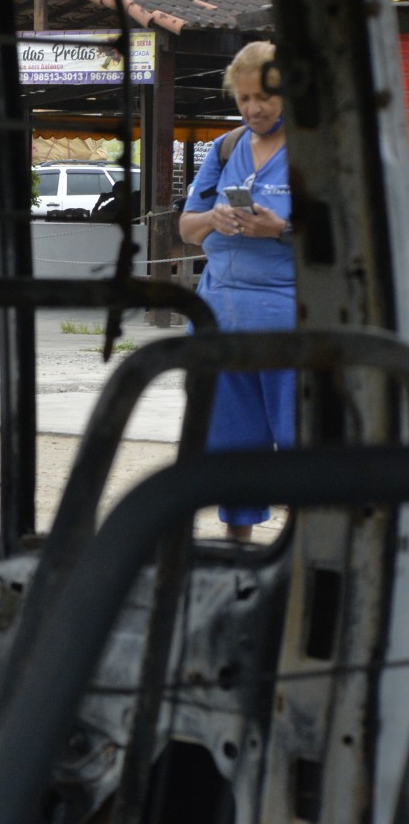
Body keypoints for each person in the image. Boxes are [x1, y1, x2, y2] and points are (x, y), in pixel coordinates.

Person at [178, 39, 293, 541]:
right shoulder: (226, 148)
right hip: (219, 318)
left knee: (299, 441)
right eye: (244, 99)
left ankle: (304, 555)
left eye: (263, 98)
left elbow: (352, 232)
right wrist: (213, 218)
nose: (253, 109)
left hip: (289, 323)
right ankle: (239, 552)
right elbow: (186, 228)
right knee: (231, 446)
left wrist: (281, 230)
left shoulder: (316, 147)